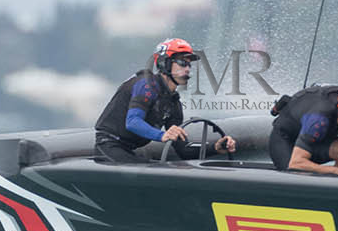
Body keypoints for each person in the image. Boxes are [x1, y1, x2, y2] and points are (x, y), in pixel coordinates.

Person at [94, 38, 237, 163]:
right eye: (182, 62)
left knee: (152, 168)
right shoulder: (146, 84)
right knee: (147, 171)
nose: (187, 68)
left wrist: (215, 148)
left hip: (127, 150)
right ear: (165, 63)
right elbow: (132, 122)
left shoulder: (173, 102)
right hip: (108, 145)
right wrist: (162, 135)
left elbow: (183, 150)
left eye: (189, 64)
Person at [268, 82, 338, 175]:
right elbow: (296, 163)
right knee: (298, 173)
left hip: (316, 137)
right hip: (287, 142)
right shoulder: (319, 118)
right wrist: (335, 171)